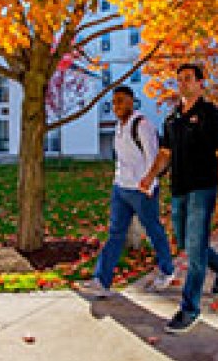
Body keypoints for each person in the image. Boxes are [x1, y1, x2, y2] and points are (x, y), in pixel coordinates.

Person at [139, 64, 218, 334]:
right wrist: (149, 177)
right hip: (179, 189)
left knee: (194, 249)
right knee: (184, 242)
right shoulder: (172, 119)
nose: (182, 83)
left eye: (188, 79)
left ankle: (189, 308)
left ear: (201, 83)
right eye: (179, 79)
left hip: (203, 189)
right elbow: (165, 154)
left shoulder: (212, 116)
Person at [79, 86, 176, 298]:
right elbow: (122, 159)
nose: (117, 106)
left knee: (153, 230)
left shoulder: (142, 125)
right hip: (121, 189)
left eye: (121, 101)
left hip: (141, 190)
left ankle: (167, 270)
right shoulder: (119, 126)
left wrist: (150, 185)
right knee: (115, 234)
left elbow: (153, 156)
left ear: (132, 101)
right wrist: (116, 183)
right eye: (114, 102)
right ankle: (101, 281)